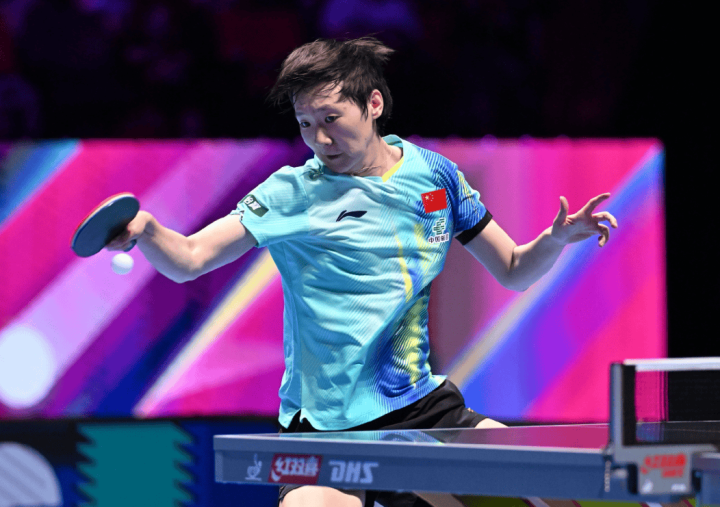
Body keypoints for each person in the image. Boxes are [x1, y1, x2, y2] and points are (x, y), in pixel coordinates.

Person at [107, 37, 618, 507]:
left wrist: (556, 239)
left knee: (554, 485)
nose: (319, 138)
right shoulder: (293, 192)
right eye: (305, 123)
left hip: (421, 410)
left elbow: (513, 270)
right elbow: (191, 258)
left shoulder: (434, 175)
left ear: (373, 104)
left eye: (330, 118)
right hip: (326, 429)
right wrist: (148, 230)